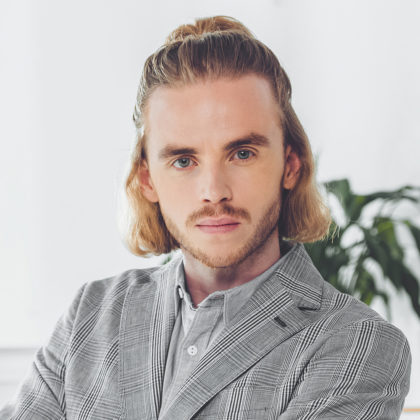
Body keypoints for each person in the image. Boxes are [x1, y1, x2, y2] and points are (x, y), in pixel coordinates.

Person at [1, 16, 411, 420]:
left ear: (290, 166)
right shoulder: (91, 314)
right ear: (147, 179)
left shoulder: (357, 343)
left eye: (242, 154)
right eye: (183, 160)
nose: (214, 191)